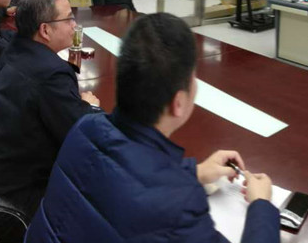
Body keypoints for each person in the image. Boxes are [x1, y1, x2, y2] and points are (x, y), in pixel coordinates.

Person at [24, 13, 279, 243]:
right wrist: (262, 206)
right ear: (178, 102)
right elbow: (146, 188)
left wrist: (195, 172)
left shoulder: (87, 126)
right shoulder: (179, 206)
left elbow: (125, 178)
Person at [0, 0, 99, 243]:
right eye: (69, 18)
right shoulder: (51, 72)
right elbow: (83, 134)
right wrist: (89, 106)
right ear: (45, 30)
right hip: (7, 210)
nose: (74, 25)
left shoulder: (16, 49)